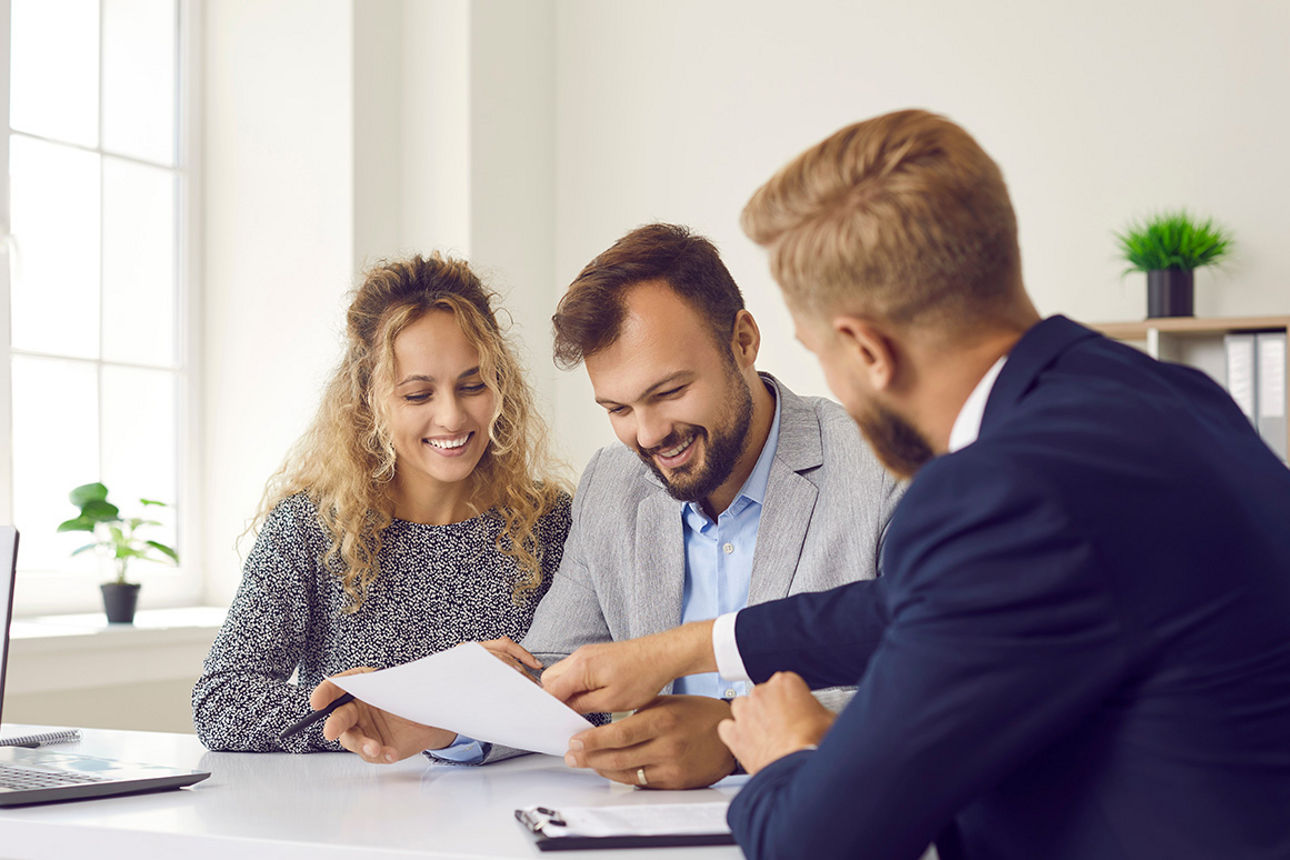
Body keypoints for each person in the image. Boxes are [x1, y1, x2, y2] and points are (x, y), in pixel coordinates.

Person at [541, 111, 1290, 859]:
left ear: (867, 348)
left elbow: (818, 843)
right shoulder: (1169, 398)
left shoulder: (1001, 489)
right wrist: (688, 648)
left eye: (817, 350)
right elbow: (908, 609)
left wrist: (790, 754)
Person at [314, 223, 904, 788]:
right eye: (617, 409)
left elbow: (941, 679)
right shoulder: (613, 484)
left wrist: (731, 741)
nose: (647, 436)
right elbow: (552, 670)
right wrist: (443, 717)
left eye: (669, 391)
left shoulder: (883, 462)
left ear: (743, 341)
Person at [192, 254, 571, 752]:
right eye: (418, 395)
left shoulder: (549, 521)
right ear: (368, 399)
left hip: (507, 818)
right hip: (356, 819)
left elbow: (590, 707)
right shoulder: (310, 526)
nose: (452, 417)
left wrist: (436, 704)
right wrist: (402, 703)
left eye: (472, 386)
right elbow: (221, 703)